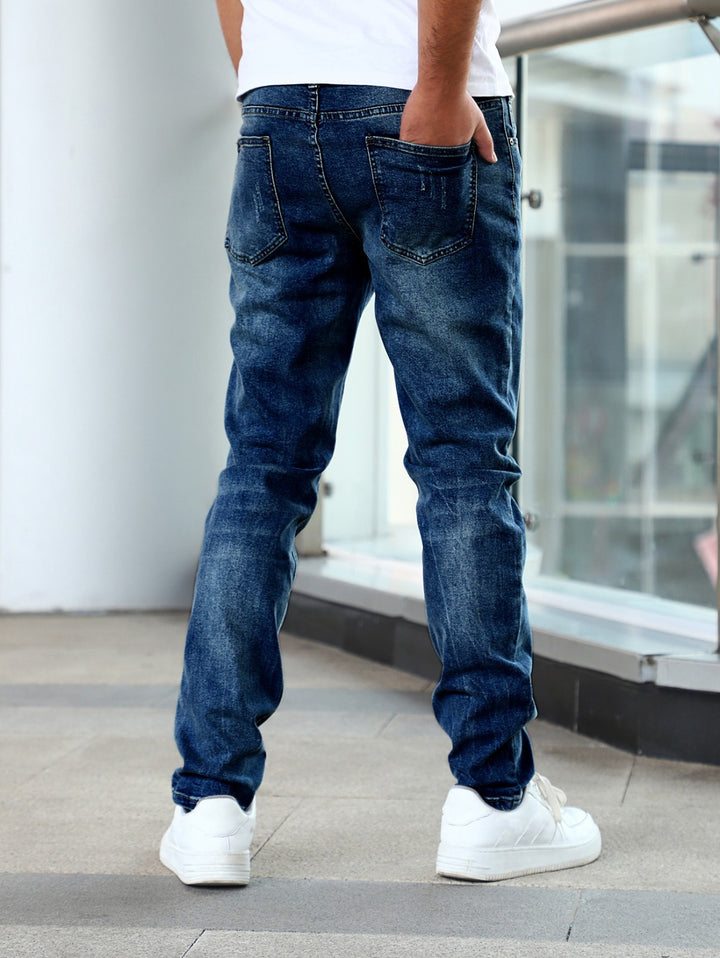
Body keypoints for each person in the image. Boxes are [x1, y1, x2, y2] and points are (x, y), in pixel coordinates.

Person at [160, 0, 601, 886]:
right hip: (416, 101)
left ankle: (210, 806)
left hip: (280, 110)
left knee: (263, 467)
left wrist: (271, 77)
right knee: (463, 466)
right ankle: (494, 801)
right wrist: (438, 86)